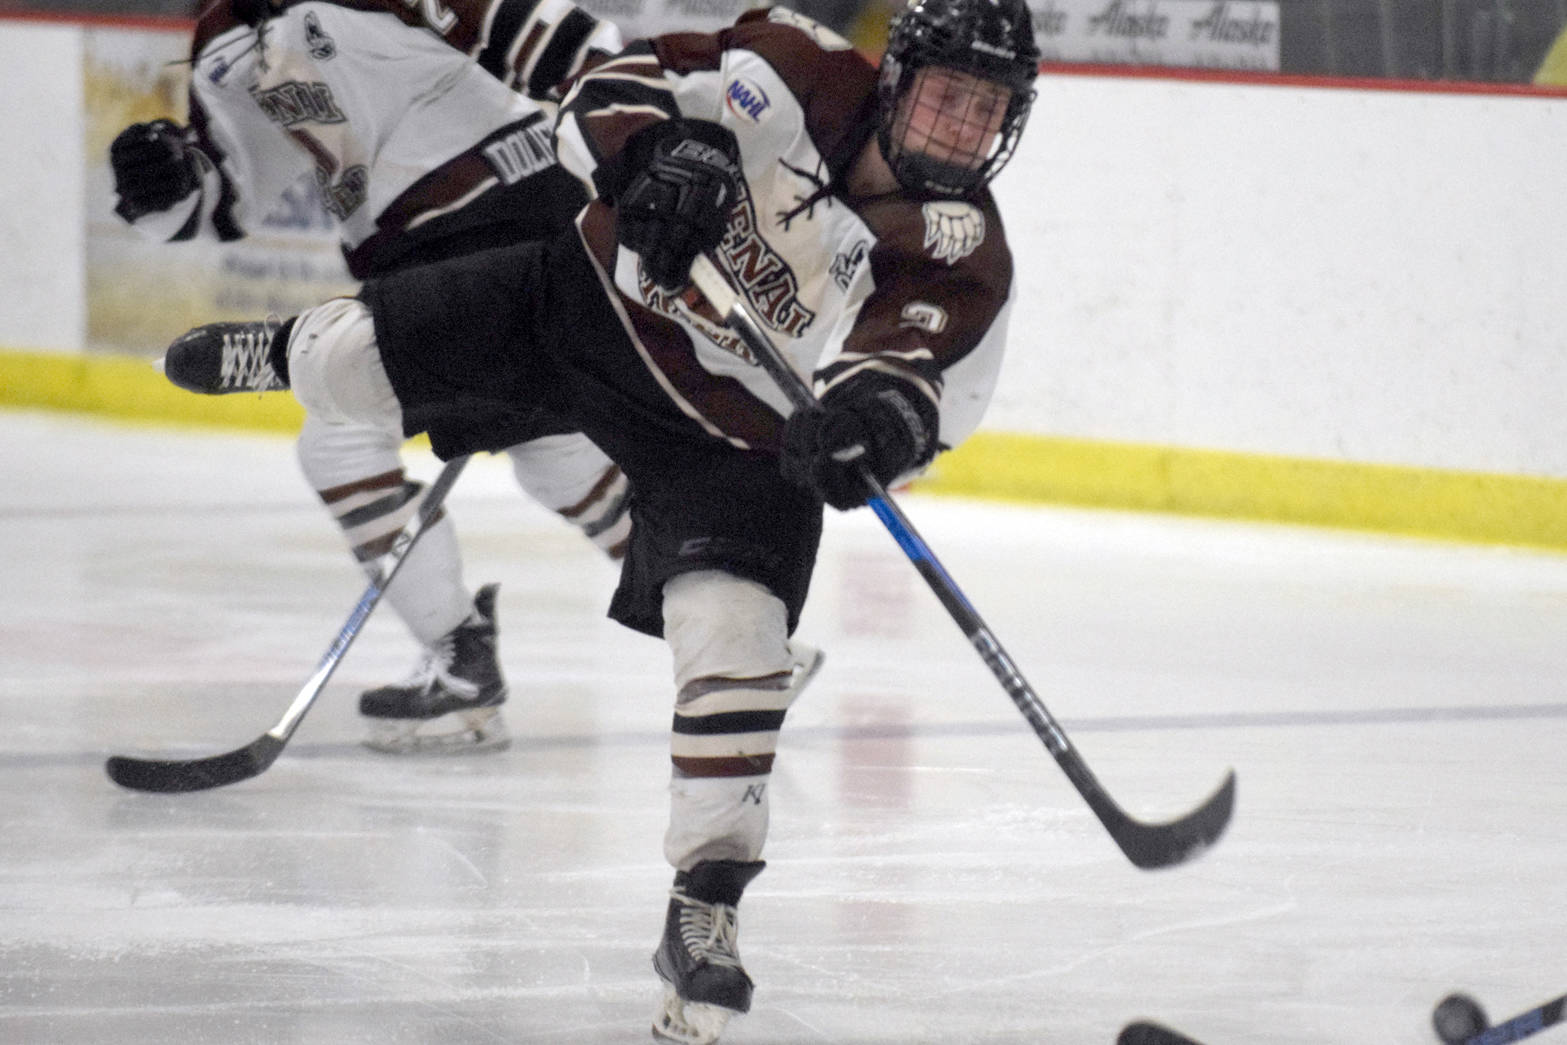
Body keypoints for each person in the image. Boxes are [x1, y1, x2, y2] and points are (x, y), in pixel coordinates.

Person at [161, 0, 1037, 1039]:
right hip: (585, 314)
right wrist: (660, 149)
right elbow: (608, 86)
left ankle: (703, 914)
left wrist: (871, 430)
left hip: (733, 442)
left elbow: (914, 386)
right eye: (948, 95)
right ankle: (289, 351)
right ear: (899, 78)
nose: (961, 129)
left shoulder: (963, 252)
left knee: (740, 643)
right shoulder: (790, 62)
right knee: (356, 364)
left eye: (987, 110)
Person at [110, 0, 635, 754]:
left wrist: (636, 137)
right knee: (557, 457)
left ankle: (463, 667)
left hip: (516, 212)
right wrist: (164, 183)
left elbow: (569, 41)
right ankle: (732, 614)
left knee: (341, 445)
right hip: (418, 252)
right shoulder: (225, 36)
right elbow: (226, 195)